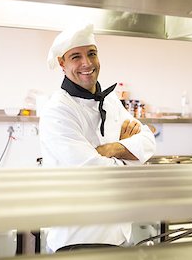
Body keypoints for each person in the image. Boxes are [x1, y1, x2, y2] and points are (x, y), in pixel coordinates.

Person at [39, 22, 156, 252]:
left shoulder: (111, 102)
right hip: (77, 241)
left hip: (120, 237)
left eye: (91, 53)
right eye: (76, 57)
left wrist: (111, 149)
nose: (87, 63)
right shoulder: (58, 110)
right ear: (62, 64)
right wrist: (131, 157)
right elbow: (94, 173)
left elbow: (148, 142)